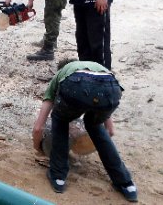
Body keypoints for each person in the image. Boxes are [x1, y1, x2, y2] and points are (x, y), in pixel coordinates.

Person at [32, 60, 137, 202]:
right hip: (112, 88)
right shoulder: (96, 68)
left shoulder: (60, 77)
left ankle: (58, 177)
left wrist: (37, 147)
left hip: (77, 86)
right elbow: (110, 131)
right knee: (94, 125)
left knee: (60, 119)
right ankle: (126, 184)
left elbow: (38, 128)